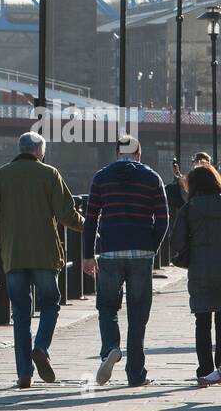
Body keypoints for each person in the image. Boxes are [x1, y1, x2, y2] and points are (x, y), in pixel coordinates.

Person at [0, 130, 83, 389]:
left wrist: (4, 243)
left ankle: (24, 375)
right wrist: (92, 226)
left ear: (21, 149)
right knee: (50, 302)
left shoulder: (1, 175)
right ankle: (41, 347)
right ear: (39, 151)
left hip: (14, 256)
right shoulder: (49, 174)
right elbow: (66, 214)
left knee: (20, 313)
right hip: (45, 255)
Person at [83, 134, 168, 388]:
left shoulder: (101, 177)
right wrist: (151, 245)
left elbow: (91, 219)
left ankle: (111, 347)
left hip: (110, 251)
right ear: (139, 155)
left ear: (117, 154)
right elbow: (163, 219)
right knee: (138, 312)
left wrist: (88, 254)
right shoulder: (153, 178)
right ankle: (136, 373)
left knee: (107, 306)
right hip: (141, 252)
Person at [169, 163, 221, 386]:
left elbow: (177, 241)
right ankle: (219, 368)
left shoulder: (189, 208)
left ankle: (204, 368)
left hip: (200, 269)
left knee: (202, 321)